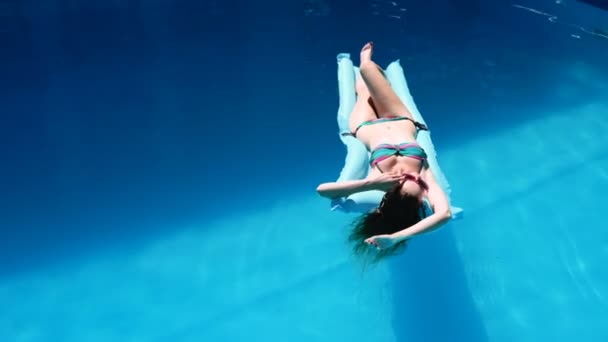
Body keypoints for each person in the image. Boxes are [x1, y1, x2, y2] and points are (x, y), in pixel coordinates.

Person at [316, 42, 452, 263]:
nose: (415, 179)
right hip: (400, 117)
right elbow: (444, 214)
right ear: (420, 204)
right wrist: (397, 237)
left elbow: (322, 190)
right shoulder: (427, 183)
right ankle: (370, 66)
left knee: (363, 87)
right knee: (368, 69)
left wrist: (369, 184)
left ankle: (369, 75)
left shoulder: (380, 182)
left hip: (364, 124)